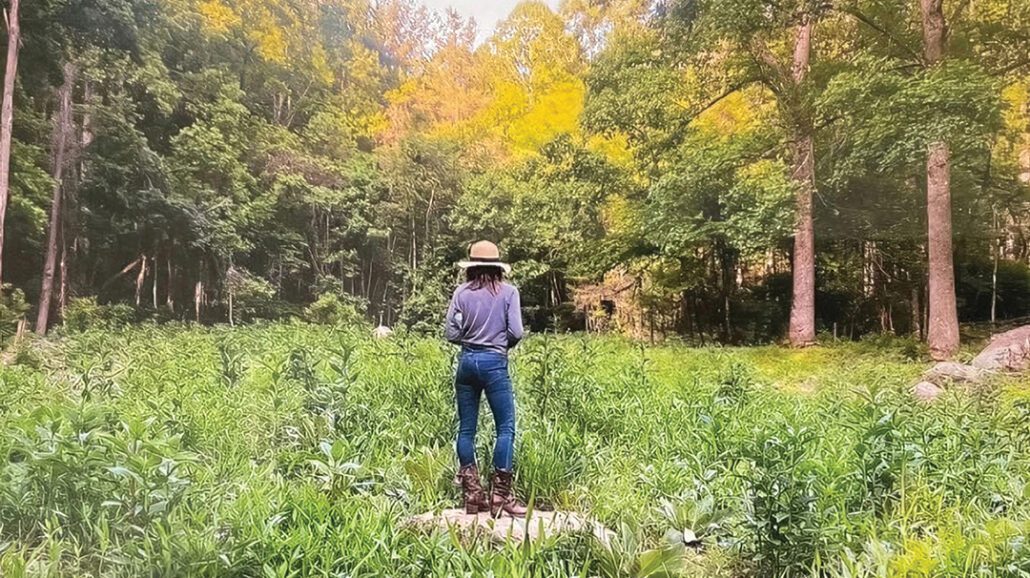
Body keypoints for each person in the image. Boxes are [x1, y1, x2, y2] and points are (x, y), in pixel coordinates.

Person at [444, 240, 527, 517]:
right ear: (497, 267)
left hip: (467, 362)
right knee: (506, 427)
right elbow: (516, 331)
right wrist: (499, 344)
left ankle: (473, 495)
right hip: (494, 363)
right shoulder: (509, 293)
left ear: (472, 267)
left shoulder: (461, 293)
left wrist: (471, 338)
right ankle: (500, 497)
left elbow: (451, 333)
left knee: (466, 429)